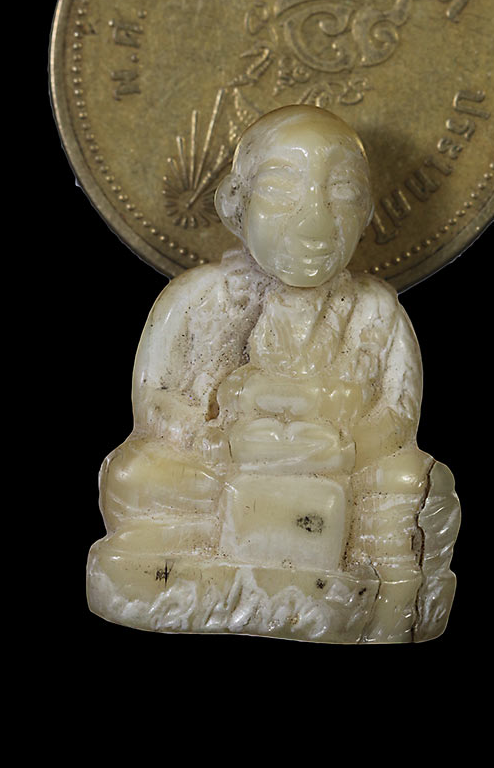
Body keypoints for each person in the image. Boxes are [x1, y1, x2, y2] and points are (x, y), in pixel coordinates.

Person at [88, 105, 459, 642]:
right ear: (235, 205)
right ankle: (192, 570)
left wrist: (346, 448)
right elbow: (155, 403)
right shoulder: (197, 298)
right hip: (221, 468)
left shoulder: (375, 309)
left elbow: (399, 417)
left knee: (415, 485)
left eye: (342, 193)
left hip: (337, 469)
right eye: (282, 189)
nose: (314, 220)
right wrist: (214, 439)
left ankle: (379, 592)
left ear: (367, 212)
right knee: (133, 476)